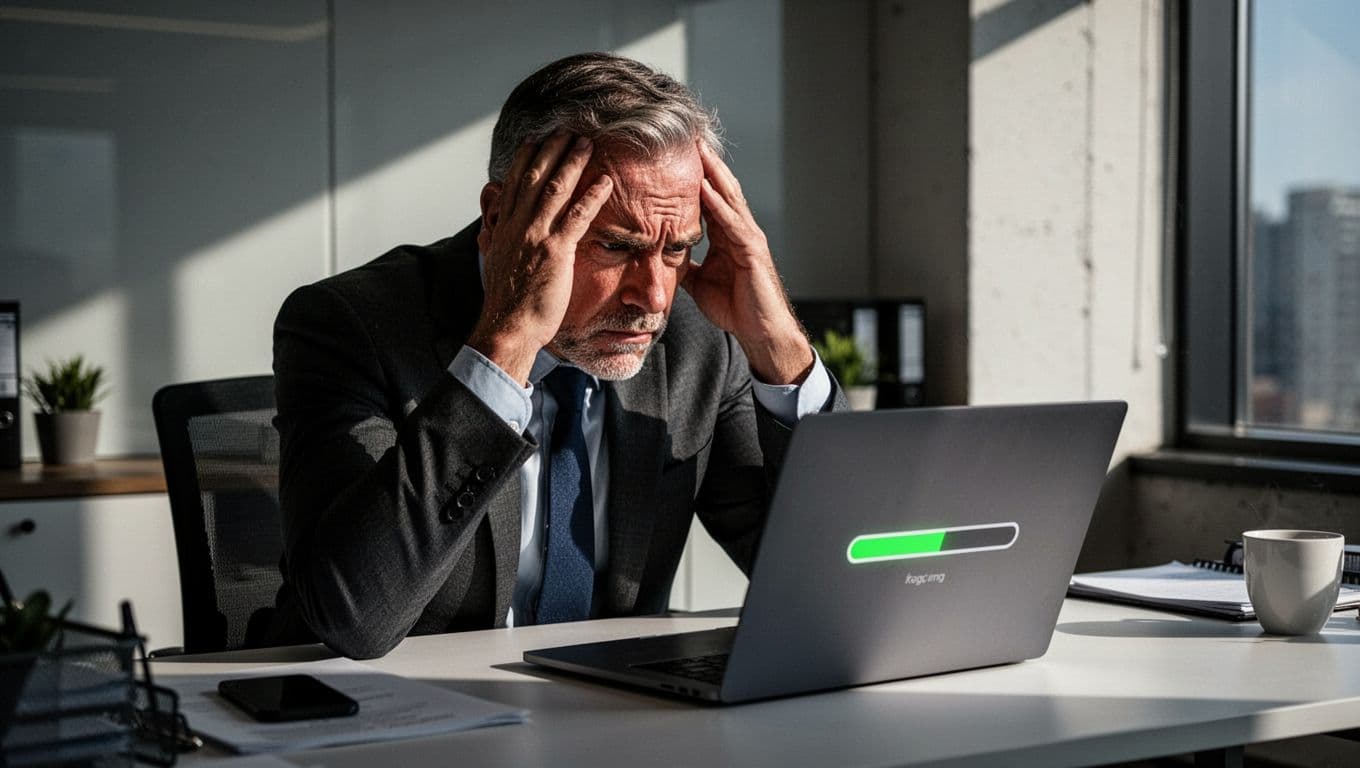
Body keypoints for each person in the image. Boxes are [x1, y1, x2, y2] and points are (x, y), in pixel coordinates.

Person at [263, 52, 846, 659]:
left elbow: (836, 584)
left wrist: (778, 347)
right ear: (501, 218)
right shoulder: (349, 324)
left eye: (677, 249)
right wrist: (506, 345)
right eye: (615, 246)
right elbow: (352, 617)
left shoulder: (699, 341)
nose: (654, 297)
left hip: (607, 704)